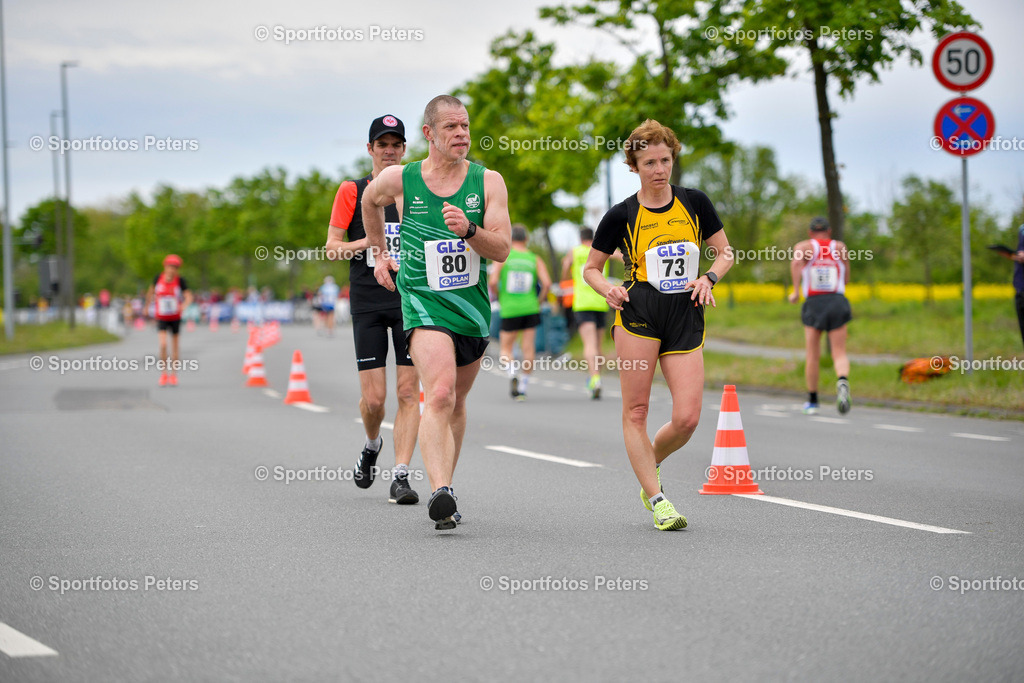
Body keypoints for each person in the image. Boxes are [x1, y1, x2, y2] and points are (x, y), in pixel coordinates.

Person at [362, 94, 511, 530]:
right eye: (451, 127)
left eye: (465, 126)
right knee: (440, 393)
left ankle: (447, 486)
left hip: (471, 309)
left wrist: (469, 231)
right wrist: (379, 254)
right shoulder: (401, 178)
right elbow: (370, 202)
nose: (462, 134)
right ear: (429, 134)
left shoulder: (488, 182)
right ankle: (441, 490)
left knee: (457, 401)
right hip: (422, 303)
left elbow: (500, 249)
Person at [584, 119, 733, 531]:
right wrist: (607, 289)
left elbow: (724, 253)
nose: (659, 169)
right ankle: (658, 498)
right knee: (637, 410)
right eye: (649, 162)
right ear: (634, 166)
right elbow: (590, 269)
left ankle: (649, 462)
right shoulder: (621, 214)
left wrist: (709, 278)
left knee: (687, 418)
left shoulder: (695, 202)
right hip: (639, 312)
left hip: (685, 311)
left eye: (665, 159)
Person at [326, 114, 420, 505]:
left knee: (408, 392)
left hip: (410, 301)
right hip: (367, 301)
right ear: (370, 150)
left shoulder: (416, 190)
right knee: (376, 400)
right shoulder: (353, 190)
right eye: (382, 144)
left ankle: (401, 476)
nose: (390, 151)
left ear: (404, 149)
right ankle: (371, 443)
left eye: (396, 144)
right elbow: (332, 247)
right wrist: (370, 242)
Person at [788, 217, 852, 415]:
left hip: (815, 302)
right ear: (829, 231)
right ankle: (842, 380)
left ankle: (813, 401)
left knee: (813, 355)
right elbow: (847, 278)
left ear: (810, 232)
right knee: (839, 352)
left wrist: (796, 291)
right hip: (837, 301)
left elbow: (797, 262)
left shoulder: (804, 246)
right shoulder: (840, 247)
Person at [488, 224, 551, 401]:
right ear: (526, 239)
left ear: (510, 238)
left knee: (506, 348)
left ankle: (511, 370)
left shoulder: (503, 257)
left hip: (510, 308)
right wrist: (538, 301)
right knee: (528, 348)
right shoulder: (534, 258)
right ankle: (523, 387)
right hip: (531, 307)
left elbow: (492, 282)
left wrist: (500, 297)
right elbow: (546, 283)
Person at [562, 227, 621, 399]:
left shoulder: (575, 252)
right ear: (593, 237)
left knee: (589, 344)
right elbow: (620, 256)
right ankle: (597, 377)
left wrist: (567, 277)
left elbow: (565, 267)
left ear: (580, 238)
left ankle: (594, 378)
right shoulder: (601, 250)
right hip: (601, 301)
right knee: (598, 345)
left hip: (582, 303)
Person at [145, 254, 193, 387]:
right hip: (162, 316)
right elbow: (150, 293)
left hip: (175, 317)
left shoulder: (180, 281)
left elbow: (189, 296)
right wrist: (147, 306)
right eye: (170, 266)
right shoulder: (158, 279)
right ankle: (164, 372)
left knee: (175, 347)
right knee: (163, 344)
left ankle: (173, 374)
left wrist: (183, 306)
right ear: (165, 267)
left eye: (175, 267)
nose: (172, 270)